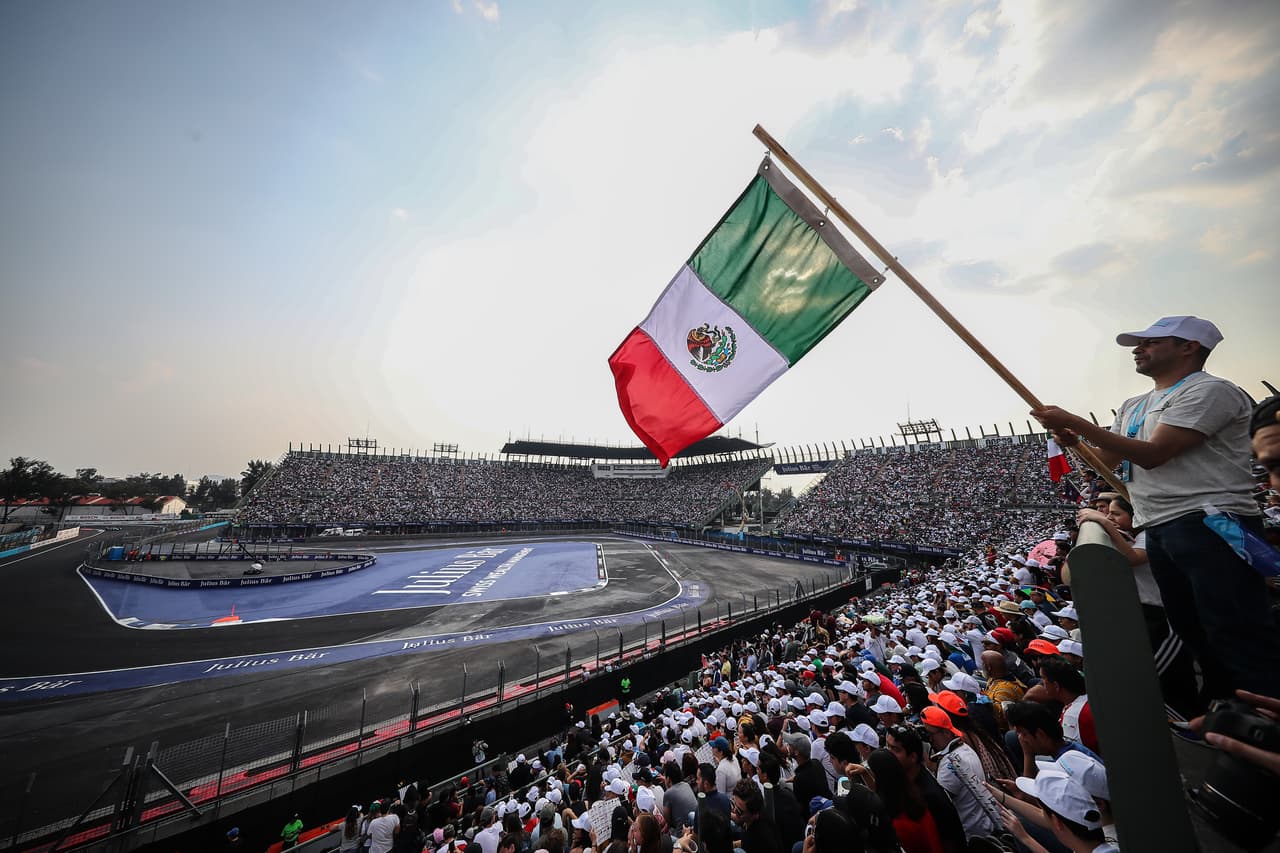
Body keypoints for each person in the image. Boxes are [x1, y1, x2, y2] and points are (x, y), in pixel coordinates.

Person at [1032, 315, 1280, 698]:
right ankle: (1226, 705)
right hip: (1160, 523)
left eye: (1151, 342)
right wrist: (1073, 442)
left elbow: (1156, 454)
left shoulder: (1209, 390)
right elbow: (1106, 462)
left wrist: (1080, 422)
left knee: (1233, 625)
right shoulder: (1134, 404)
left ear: (1189, 347)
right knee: (1189, 625)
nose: (1138, 349)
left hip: (1212, 519)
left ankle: (1261, 715)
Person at [1077, 497, 1200, 717]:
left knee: (1159, 677)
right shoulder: (1137, 535)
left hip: (1165, 619)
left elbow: (1133, 558)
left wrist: (1103, 523)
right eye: (1109, 513)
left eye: (1116, 514)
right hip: (1148, 615)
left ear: (1135, 515)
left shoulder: (1147, 535)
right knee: (1167, 677)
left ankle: (1190, 726)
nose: (1109, 517)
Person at [919, 708, 1001, 842]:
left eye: (930, 734)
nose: (929, 739)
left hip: (972, 835)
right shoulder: (962, 748)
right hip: (981, 827)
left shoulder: (952, 763)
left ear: (946, 732)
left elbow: (938, 805)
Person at [884, 727, 965, 852]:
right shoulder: (903, 779)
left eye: (895, 750)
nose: (888, 754)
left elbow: (949, 843)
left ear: (912, 757)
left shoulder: (930, 796)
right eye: (887, 747)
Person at [731, 779, 781, 853]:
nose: (734, 811)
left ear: (754, 814)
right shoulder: (761, 813)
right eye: (734, 803)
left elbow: (746, 841)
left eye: (739, 811)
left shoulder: (754, 839)